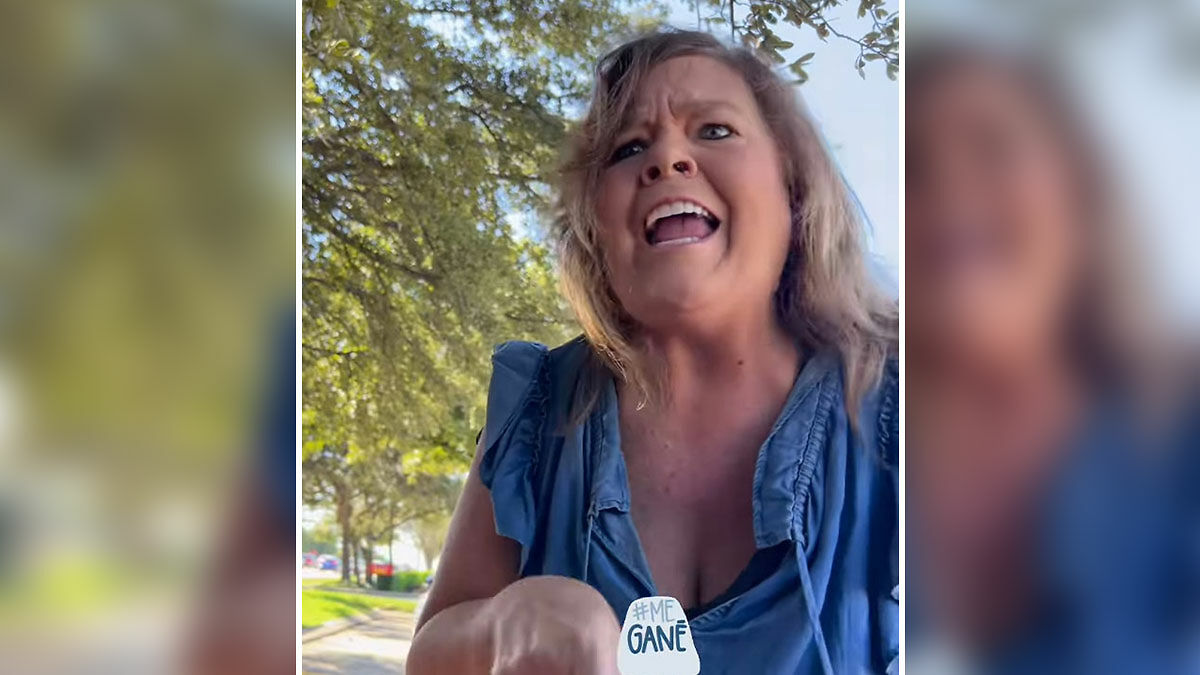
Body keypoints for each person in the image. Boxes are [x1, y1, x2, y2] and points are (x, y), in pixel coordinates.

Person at [408, 29, 898, 675]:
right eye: (628, 147)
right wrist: (503, 623)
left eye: (715, 130)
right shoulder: (538, 407)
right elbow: (432, 650)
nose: (667, 159)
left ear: (794, 188)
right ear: (595, 224)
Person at [905, 42, 1198, 674]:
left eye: (993, 147)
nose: (950, 186)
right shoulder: (862, 459)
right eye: (914, 167)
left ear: (1083, 195)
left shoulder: (1183, 441)